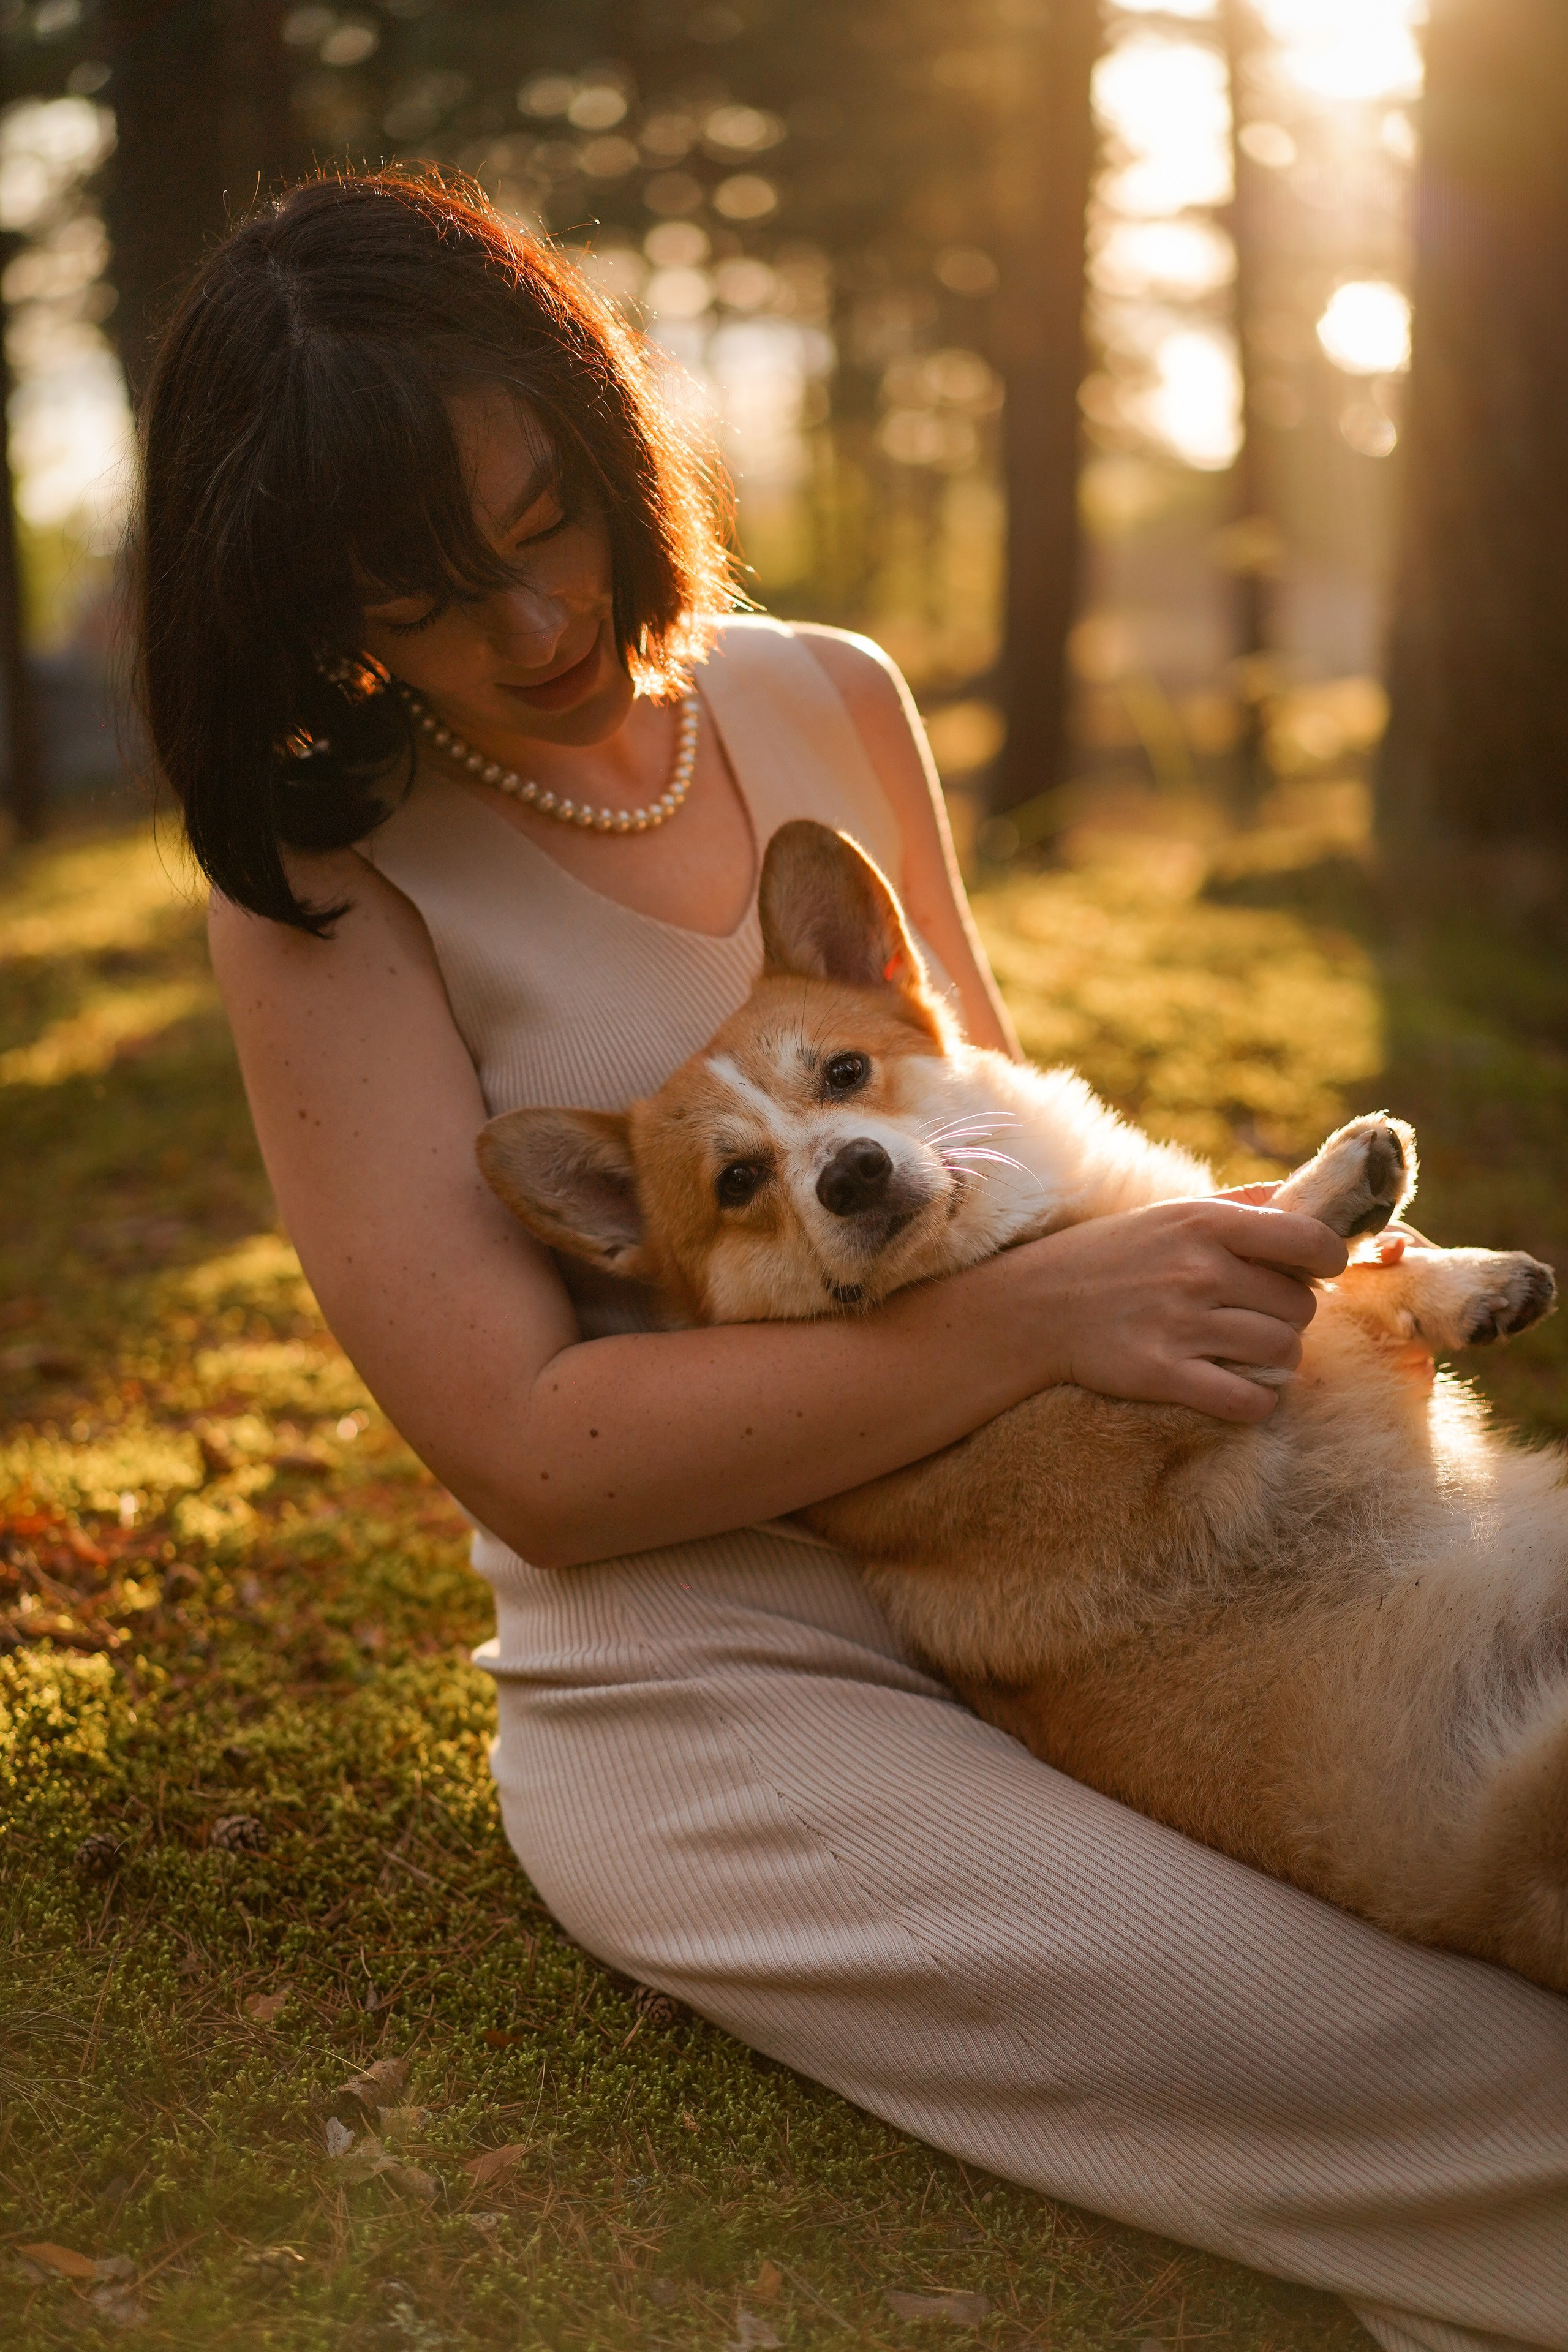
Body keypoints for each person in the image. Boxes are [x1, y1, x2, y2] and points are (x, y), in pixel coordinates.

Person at [143, 171, 1567, 2351]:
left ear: (603, 430)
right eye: (420, 598)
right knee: (1400, 2049)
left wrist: (1226, 1283)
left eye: (544, 525)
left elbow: (995, 1137)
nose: (528, 627)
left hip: (1102, 1574)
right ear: (308, 608)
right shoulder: (324, 887)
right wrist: (1031, 1323)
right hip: (711, 1677)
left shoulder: (823, 694)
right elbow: (535, 1447)